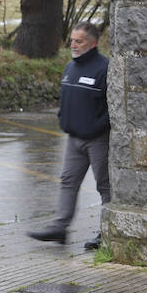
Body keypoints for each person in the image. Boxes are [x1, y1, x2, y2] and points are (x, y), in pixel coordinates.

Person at [28, 22, 110, 250]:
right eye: (72, 40)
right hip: (74, 139)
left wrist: (97, 126)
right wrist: (63, 118)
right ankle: (59, 228)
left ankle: (108, 233)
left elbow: (113, 108)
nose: (73, 44)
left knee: (105, 186)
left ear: (92, 44)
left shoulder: (104, 69)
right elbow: (64, 100)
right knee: (68, 182)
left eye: (79, 41)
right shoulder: (69, 68)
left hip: (98, 140)